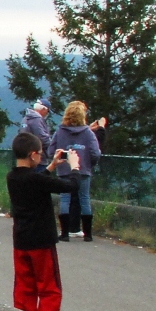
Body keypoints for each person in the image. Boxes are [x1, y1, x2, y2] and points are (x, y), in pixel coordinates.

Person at [5, 132, 78, 311]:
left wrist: (51, 167)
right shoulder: (36, 180)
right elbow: (72, 186)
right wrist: (75, 167)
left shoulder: (12, 177)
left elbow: (35, 182)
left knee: (24, 288)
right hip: (42, 242)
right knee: (49, 289)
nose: (41, 157)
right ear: (32, 155)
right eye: (40, 153)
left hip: (21, 240)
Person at [52, 100, 102, 242]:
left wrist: (60, 159)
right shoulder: (88, 133)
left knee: (65, 198)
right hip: (83, 170)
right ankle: (88, 234)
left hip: (64, 170)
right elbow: (95, 153)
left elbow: (51, 150)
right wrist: (88, 164)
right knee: (84, 199)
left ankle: (64, 233)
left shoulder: (60, 131)